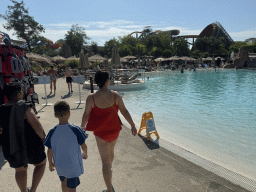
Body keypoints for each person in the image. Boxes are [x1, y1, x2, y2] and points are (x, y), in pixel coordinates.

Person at [81, 70, 137, 192]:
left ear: (96, 81)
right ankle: (109, 170)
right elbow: (124, 111)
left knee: (105, 162)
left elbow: (86, 115)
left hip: (101, 134)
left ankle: (109, 190)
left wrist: (82, 127)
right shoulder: (116, 95)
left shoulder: (91, 98)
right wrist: (132, 125)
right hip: (114, 131)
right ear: (107, 81)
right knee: (111, 151)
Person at [0, 82, 46, 192]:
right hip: (30, 144)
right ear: (18, 94)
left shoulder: (0, 109)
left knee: (20, 170)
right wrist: (43, 137)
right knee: (41, 164)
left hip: (10, 146)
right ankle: (33, 190)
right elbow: (36, 125)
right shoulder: (24, 106)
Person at [44, 101, 88, 192]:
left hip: (60, 165)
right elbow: (84, 145)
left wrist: (50, 163)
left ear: (55, 115)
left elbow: (49, 151)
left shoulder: (52, 131)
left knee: (64, 182)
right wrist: (85, 153)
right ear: (69, 113)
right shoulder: (75, 129)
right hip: (73, 165)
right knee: (72, 187)